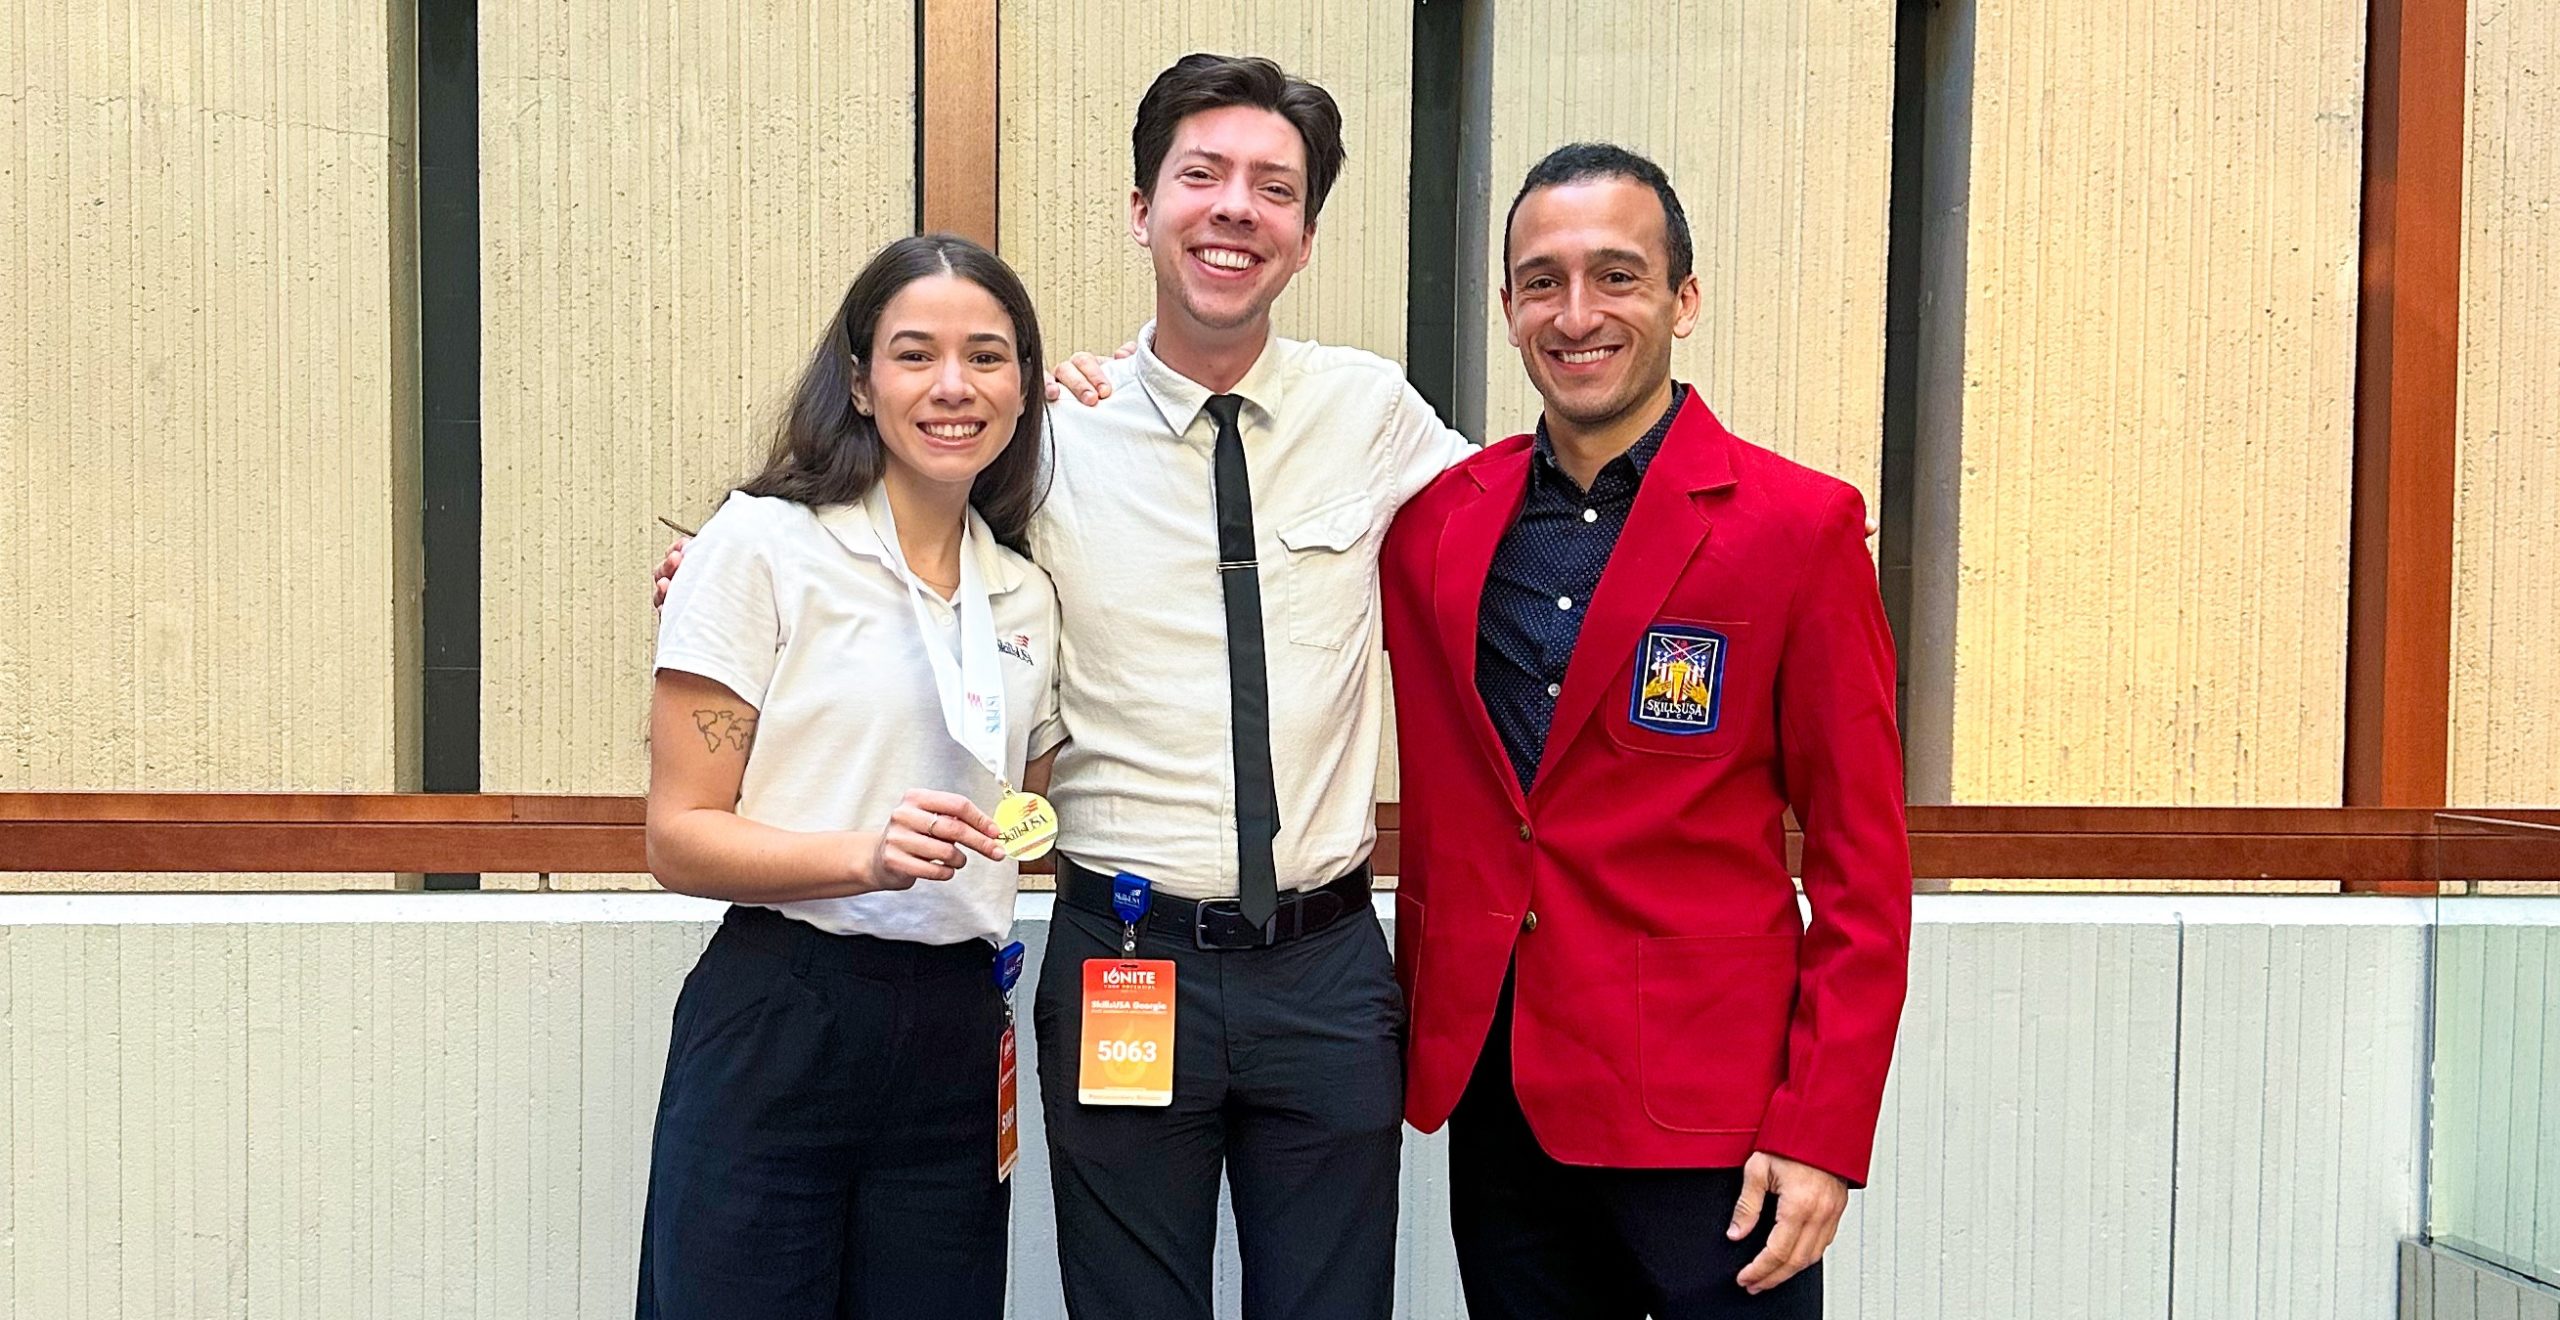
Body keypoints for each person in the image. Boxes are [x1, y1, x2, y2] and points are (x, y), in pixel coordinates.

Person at [1379, 143, 1913, 1318]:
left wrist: (1823, 1130)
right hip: (1500, 1104)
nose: (1576, 314)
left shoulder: (1798, 529)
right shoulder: (1434, 527)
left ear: (1683, 299)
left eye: (1616, 276)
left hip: (1714, 1120)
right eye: (1542, 282)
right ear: (1509, 310)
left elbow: (1863, 869)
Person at [637, 233, 1064, 1320]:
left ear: (1025, 385)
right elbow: (678, 836)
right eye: (915, 355)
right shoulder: (763, 545)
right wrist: (862, 857)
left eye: (987, 356)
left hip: (959, 1026)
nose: (953, 386)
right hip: (786, 1006)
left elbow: (1035, 801)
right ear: (863, 382)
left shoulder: (1025, 593)